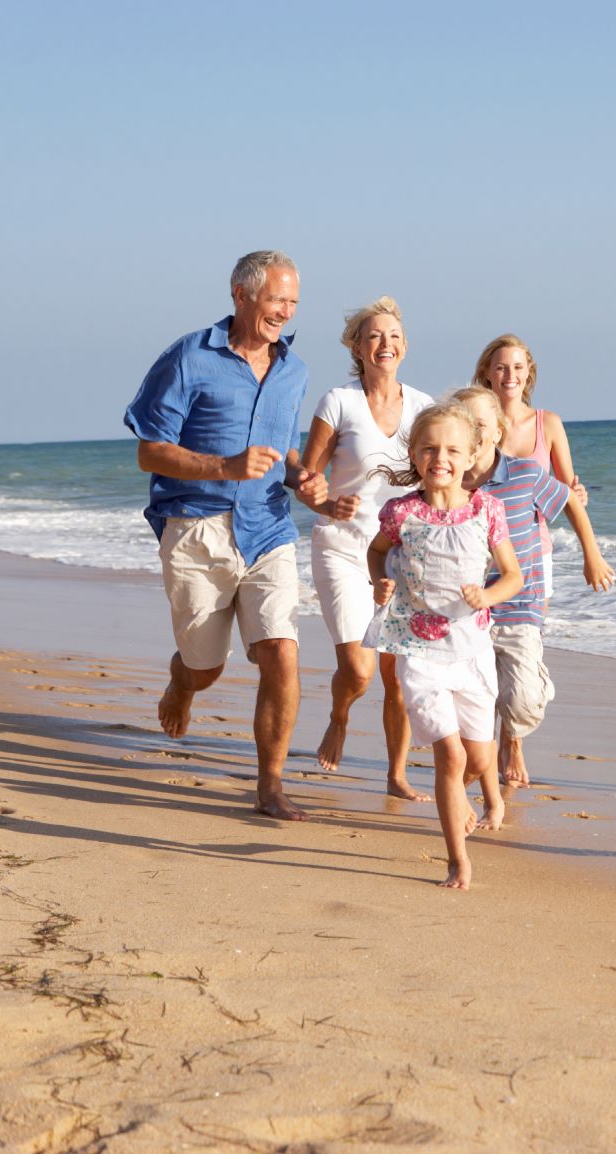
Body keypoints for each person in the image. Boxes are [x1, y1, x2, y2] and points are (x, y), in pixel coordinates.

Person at [123, 250, 326, 821]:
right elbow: (149, 451)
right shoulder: (188, 356)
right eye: (275, 299)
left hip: (269, 527)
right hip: (197, 527)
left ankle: (270, 784)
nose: (284, 311)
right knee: (206, 668)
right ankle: (183, 682)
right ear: (241, 295)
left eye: (292, 301)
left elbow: (283, 450)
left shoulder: (295, 371)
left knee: (281, 653)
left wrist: (307, 481)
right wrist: (223, 467)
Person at [364, 403, 524, 890]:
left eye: (453, 449)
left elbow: (513, 576)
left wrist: (488, 594)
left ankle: (473, 796)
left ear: (472, 453)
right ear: (413, 453)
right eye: (429, 448)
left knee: (478, 761)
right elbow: (376, 551)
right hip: (418, 650)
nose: (441, 458)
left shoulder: (486, 509)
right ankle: (458, 860)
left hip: (472, 651)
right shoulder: (401, 512)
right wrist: (379, 583)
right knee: (450, 757)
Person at [297, 296, 433, 801]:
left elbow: (446, 468)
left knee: (398, 676)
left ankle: (396, 774)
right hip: (342, 546)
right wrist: (324, 500)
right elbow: (306, 477)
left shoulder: (422, 407)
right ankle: (339, 715)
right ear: (357, 346)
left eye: (394, 336)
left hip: (401, 555)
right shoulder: (338, 401)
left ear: (405, 346)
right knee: (359, 669)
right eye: (374, 336)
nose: (385, 344)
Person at [451, 386, 614, 787]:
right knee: (477, 695)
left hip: (522, 602)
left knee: (521, 703)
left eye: (481, 425)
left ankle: (526, 702)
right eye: (464, 424)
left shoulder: (524, 474)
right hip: (468, 608)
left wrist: (591, 555)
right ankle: (482, 767)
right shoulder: (450, 485)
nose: (473, 433)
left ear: (498, 430)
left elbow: (572, 503)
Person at [472, 335, 588, 603]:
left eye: (518, 367)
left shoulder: (548, 424)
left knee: (529, 637)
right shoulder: (473, 423)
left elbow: (569, 493)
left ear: (528, 372)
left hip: (533, 551)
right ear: (487, 373)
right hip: (478, 549)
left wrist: (579, 497)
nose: (510, 375)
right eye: (501, 367)